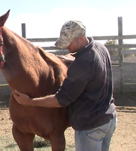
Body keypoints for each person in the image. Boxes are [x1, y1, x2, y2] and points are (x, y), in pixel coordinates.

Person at [13, 20, 117, 151]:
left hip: (91, 126)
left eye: (69, 43)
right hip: (109, 119)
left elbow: (61, 99)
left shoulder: (82, 64)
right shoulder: (101, 48)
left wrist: (30, 101)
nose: (66, 47)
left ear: (81, 38)